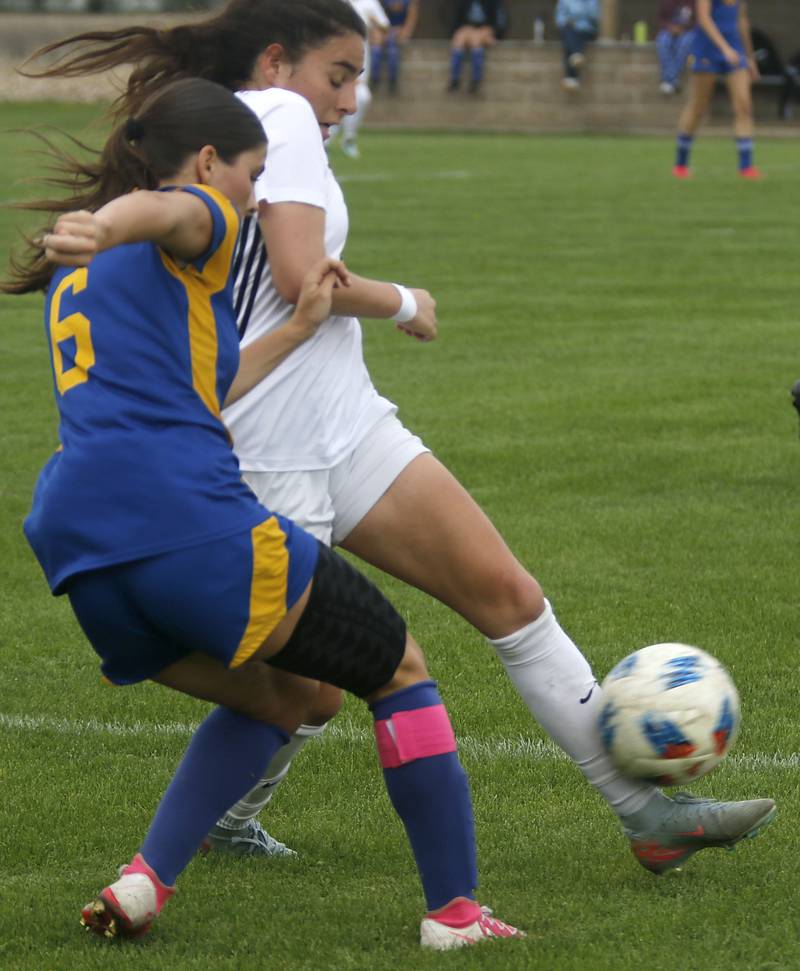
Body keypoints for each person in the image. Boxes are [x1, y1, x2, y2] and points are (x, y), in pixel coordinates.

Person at [25, 0, 777, 881]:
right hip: (269, 446)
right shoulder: (280, 118)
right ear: (277, 62)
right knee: (316, 686)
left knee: (506, 595)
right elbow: (307, 275)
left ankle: (646, 812)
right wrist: (404, 300)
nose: (348, 98)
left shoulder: (243, 125)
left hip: (341, 416)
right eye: (340, 73)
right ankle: (243, 827)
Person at [2, 75, 524, 950]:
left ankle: (144, 880)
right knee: (398, 666)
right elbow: (169, 214)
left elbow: (204, 391)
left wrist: (298, 324)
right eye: (253, 171)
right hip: (187, 523)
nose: (257, 190)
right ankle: (455, 914)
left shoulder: (84, 281)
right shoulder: (194, 217)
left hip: (86, 552)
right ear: (209, 162)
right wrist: (116, 218)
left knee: (290, 695)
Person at [672, 0, 760, 178]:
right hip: (707, 49)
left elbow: (741, 20)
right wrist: (724, 48)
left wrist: (750, 57)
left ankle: (746, 166)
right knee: (698, 107)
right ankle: (681, 164)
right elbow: (703, 18)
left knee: (744, 105)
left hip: (735, 50)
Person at [337, 0, 390, 158]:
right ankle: (323, 140)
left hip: (360, 61)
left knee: (362, 96)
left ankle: (348, 138)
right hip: (335, 58)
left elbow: (384, 27)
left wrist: (374, 24)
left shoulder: (369, 3)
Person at [447, 0, 506, 93]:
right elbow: (456, 20)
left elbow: (500, 21)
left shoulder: (493, 2)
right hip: (468, 29)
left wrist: (496, 34)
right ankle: (455, 80)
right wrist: (461, 31)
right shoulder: (463, 2)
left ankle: (476, 79)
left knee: (476, 40)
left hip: (486, 29)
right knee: (459, 40)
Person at [370, 0, 420, 93]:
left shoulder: (410, 3)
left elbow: (411, 20)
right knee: (376, 50)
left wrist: (405, 32)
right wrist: (382, 31)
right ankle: (374, 80)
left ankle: (392, 82)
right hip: (383, 30)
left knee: (393, 52)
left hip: (399, 31)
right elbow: (377, 16)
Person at [554, 0, 599, 91]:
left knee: (570, 39)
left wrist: (576, 16)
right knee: (569, 34)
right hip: (570, 28)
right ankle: (577, 55)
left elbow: (594, 15)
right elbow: (560, 18)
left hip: (587, 29)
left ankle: (571, 77)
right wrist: (569, 21)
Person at [656, 0, 696, 94]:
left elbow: (698, 21)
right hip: (669, 29)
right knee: (663, 41)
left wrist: (684, 28)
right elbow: (661, 19)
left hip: (688, 30)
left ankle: (668, 80)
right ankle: (673, 80)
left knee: (685, 43)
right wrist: (670, 27)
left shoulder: (694, 2)